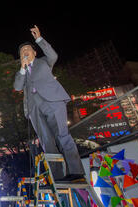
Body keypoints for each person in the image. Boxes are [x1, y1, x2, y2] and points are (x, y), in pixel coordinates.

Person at [13, 25, 85, 182]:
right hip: (34, 109)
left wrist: (39, 39)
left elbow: (53, 55)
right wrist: (22, 69)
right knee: (46, 143)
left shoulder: (44, 62)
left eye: (28, 49)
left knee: (62, 135)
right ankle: (57, 177)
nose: (25, 51)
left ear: (34, 52)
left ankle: (76, 170)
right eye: (22, 51)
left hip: (53, 102)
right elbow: (17, 87)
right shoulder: (22, 72)